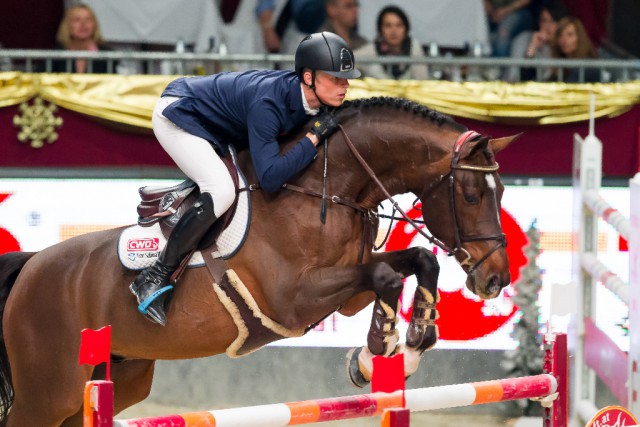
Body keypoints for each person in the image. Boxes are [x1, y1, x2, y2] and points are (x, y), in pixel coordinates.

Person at [130, 32, 361, 326]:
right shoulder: (269, 104)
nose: (346, 85)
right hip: (179, 116)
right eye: (336, 78)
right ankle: (153, 276)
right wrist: (313, 137)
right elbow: (270, 178)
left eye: (346, 78)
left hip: (218, 124)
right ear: (308, 76)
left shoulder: (314, 98)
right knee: (222, 190)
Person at [354, 5, 427, 80]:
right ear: (380, 29)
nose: (393, 31)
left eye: (399, 25)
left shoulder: (413, 47)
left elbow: (423, 81)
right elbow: (346, 63)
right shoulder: (371, 50)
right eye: (388, 26)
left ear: (406, 29)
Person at [509, 0, 567, 82]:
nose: (547, 26)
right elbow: (514, 76)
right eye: (544, 20)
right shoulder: (523, 39)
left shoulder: (564, 43)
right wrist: (532, 46)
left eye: (552, 21)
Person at [52, 3, 115, 73]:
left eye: (88, 19)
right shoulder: (57, 54)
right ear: (67, 26)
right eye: (77, 20)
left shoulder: (107, 54)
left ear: (94, 25)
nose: (83, 24)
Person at [550, 16, 600, 82]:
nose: (564, 40)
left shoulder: (588, 66)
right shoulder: (563, 65)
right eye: (560, 35)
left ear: (580, 38)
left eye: (570, 35)